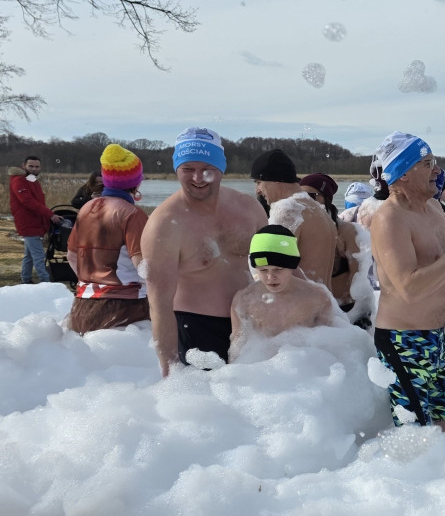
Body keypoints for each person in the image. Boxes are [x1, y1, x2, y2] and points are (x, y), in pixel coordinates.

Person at [370, 131, 445, 434]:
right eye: (427, 163)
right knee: (416, 437)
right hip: (404, 340)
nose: (438, 170)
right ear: (403, 173)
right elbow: (409, 287)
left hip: (436, 337)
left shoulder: (433, 208)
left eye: (434, 162)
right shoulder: (389, 219)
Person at [141, 127, 268, 376]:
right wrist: (170, 370)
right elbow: (159, 303)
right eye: (188, 169)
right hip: (196, 330)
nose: (198, 178)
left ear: (221, 168)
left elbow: (279, 264)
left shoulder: (249, 208)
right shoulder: (164, 224)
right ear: (176, 169)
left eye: (207, 169)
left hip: (251, 323)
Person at [66, 144, 149, 333]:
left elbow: (72, 255)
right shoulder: (132, 214)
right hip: (126, 309)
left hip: (82, 308)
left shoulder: (87, 208)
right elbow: (143, 265)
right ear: (136, 182)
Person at [229, 225, 336, 361]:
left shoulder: (317, 298)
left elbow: (330, 347)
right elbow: (237, 350)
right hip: (259, 372)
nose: (270, 277)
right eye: (263, 270)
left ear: (292, 266)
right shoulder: (244, 300)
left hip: (305, 371)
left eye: (278, 269)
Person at [251, 149, 337, 286]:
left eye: (258, 182)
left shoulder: (289, 210)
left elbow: (269, 269)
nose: (257, 190)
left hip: (299, 304)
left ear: (275, 180)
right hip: (325, 301)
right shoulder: (317, 209)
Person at [301, 172, 363, 315]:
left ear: (326, 199)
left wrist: (359, 313)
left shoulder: (347, 232)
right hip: (310, 312)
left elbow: (359, 279)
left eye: (310, 196)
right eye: (299, 196)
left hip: (345, 312)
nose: (303, 201)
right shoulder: (297, 232)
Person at [8, 155, 64, 284]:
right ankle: (45, 282)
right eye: (31, 166)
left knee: (29, 256)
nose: (34, 169)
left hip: (35, 222)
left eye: (36, 166)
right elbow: (28, 202)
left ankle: (26, 279)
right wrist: (50, 214)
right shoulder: (19, 181)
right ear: (24, 166)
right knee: (39, 256)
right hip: (28, 223)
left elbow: (37, 202)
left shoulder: (32, 181)